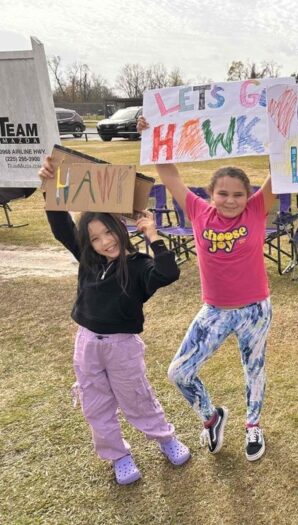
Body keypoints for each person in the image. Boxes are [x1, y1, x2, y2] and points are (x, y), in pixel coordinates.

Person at [39, 159, 189, 486]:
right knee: (95, 403)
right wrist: (51, 188)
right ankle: (118, 454)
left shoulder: (138, 266)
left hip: (123, 347)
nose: (105, 241)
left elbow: (168, 273)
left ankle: (165, 438)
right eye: (95, 238)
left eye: (109, 231)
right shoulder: (88, 260)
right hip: (87, 344)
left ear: (121, 227)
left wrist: (153, 236)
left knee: (137, 397)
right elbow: (62, 227)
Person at [137, 117, 276, 461]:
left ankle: (253, 425)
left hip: (255, 309)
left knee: (254, 368)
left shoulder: (257, 210)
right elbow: (170, 175)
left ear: (249, 196)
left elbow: (281, 170)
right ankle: (211, 417)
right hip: (215, 310)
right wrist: (153, 136)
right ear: (210, 194)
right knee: (178, 371)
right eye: (223, 194)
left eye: (238, 194)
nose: (230, 201)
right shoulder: (198, 211)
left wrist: (282, 134)